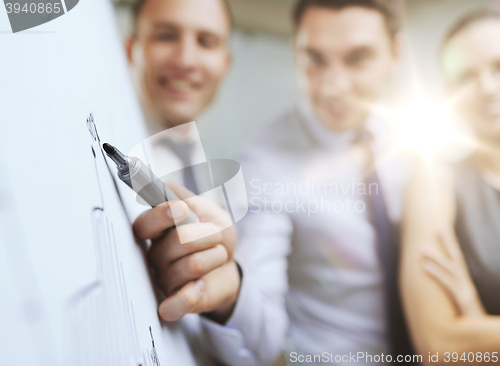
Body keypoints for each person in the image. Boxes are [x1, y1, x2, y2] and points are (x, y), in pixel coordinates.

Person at [401, 9, 500, 366]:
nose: (487, 88)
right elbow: (439, 346)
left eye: (498, 67)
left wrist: (477, 321)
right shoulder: (435, 182)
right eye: (466, 77)